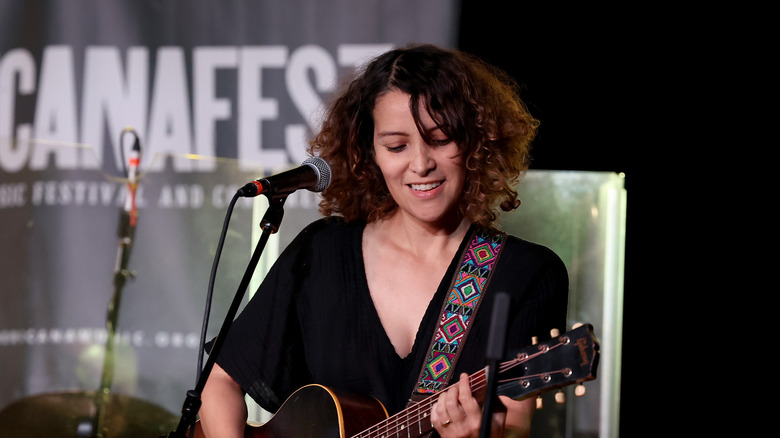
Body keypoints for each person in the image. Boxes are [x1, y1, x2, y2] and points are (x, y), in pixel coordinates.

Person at [199, 43, 569, 438]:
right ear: (368, 151)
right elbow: (219, 382)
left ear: (477, 141)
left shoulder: (527, 274)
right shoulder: (321, 253)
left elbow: (513, 424)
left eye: (441, 139)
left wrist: (481, 434)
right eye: (396, 146)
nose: (421, 163)